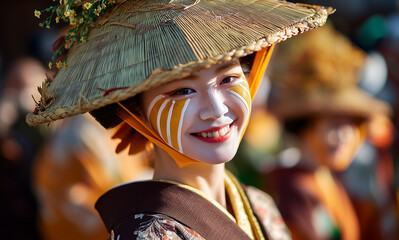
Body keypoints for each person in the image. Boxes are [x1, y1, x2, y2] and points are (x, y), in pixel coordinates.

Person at [28, 0, 331, 239]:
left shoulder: (260, 205)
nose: (215, 108)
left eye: (228, 78)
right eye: (182, 90)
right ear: (137, 112)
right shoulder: (147, 236)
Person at [264, 24, 391, 240]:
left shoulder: (325, 176)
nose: (345, 135)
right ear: (306, 127)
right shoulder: (294, 187)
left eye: (350, 124)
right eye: (334, 125)